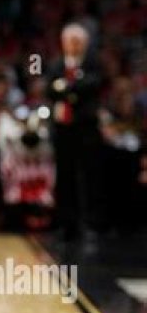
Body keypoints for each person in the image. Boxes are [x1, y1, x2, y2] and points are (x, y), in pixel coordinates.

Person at [46, 23, 102, 243]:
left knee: (87, 177)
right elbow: (50, 89)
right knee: (64, 177)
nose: (74, 46)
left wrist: (67, 88)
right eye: (70, 41)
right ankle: (65, 223)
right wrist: (74, 89)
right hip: (62, 129)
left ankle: (89, 223)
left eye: (78, 42)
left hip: (85, 129)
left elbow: (92, 86)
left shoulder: (93, 63)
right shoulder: (55, 64)